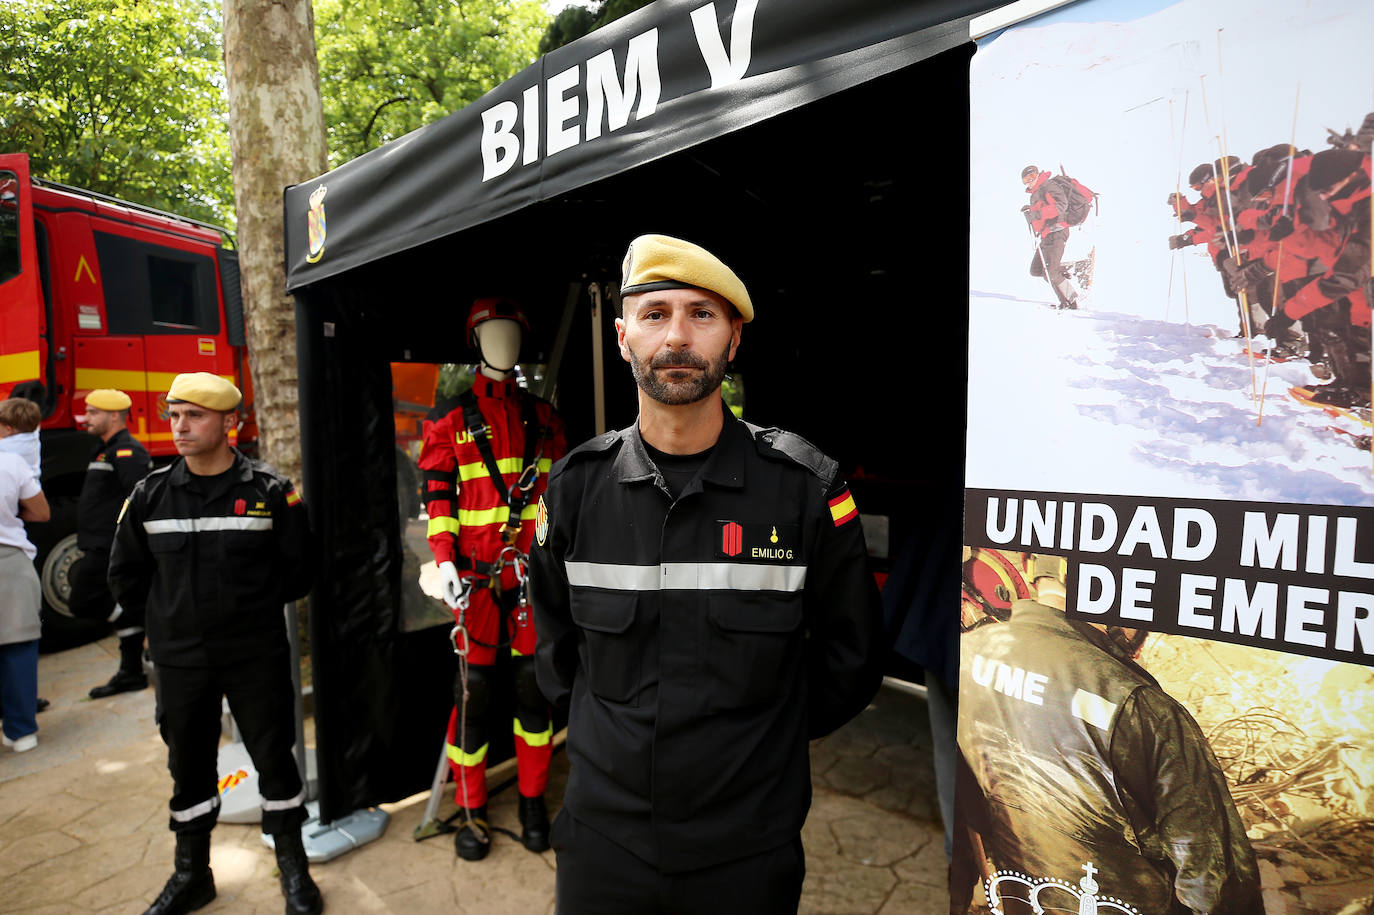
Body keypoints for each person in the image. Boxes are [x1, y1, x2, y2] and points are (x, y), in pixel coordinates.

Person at [529, 234, 884, 913]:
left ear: (735, 338)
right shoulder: (575, 490)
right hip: (605, 840)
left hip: (747, 847)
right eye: (656, 313)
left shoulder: (805, 489)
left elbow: (851, 658)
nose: (678, 336)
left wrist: (760, 739)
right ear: (623, 335)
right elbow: (555, 655)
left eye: (703, 313)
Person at [108, 373, 321, 915]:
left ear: (230, 422)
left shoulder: (270, 492)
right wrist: (166, 624)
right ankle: (192, 875)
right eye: (174, 414)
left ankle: (293, 867)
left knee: (274, 761)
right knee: (189, 766)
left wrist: (245, 614)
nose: (179, 425)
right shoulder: (149, 494)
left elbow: (299, 572)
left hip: (254, 656)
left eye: (194, 415)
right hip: (180, 663)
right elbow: (125, 576)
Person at [955, 554, 1262, 914]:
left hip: (1022, 895)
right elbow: (1216, 886)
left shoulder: (967, 652)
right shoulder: (1142, 707)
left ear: (1032, 568)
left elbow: (965, 800)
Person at [417, 297, 567, 861]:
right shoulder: (448, 421)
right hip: (477, 581)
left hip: (530, 578)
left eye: (511, 332)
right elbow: (437, 499)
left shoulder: (546, 419)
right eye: (490, 331)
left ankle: (532, 801)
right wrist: (446, 559)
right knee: (473, 694)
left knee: (533, 691)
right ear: (473, 340)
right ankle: (473, 807)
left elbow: (556, 501)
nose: (502, 342)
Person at [68, 389, 153, 698]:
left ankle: (148, 627)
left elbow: (139, 498)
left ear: (114, 415)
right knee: (120, 609)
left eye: (93, 412)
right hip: (98, 544)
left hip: (110, 546)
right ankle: (131, 672)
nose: (85, 418)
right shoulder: (103, 450)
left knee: (82, 600)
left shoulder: (128, 451)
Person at [0, 398, 50, 754]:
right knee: (18, 644)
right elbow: (42, 512)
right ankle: (21, 731)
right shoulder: (14, 462)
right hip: (9, 559)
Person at [1021, 164, 1081, 309]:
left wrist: (1037, 214)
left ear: (1038, 174)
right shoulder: (1036, 193)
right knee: (1036, 270)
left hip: (1057, 232)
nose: (1030, 181)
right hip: (1046, 235)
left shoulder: (1048, 186)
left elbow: (1061, 205)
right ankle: (1069, 268)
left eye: (1032, 177)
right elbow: (1042, 210)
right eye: (1026, 180)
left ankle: (1070, 302)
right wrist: (1031, 211)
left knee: (1051, 271)